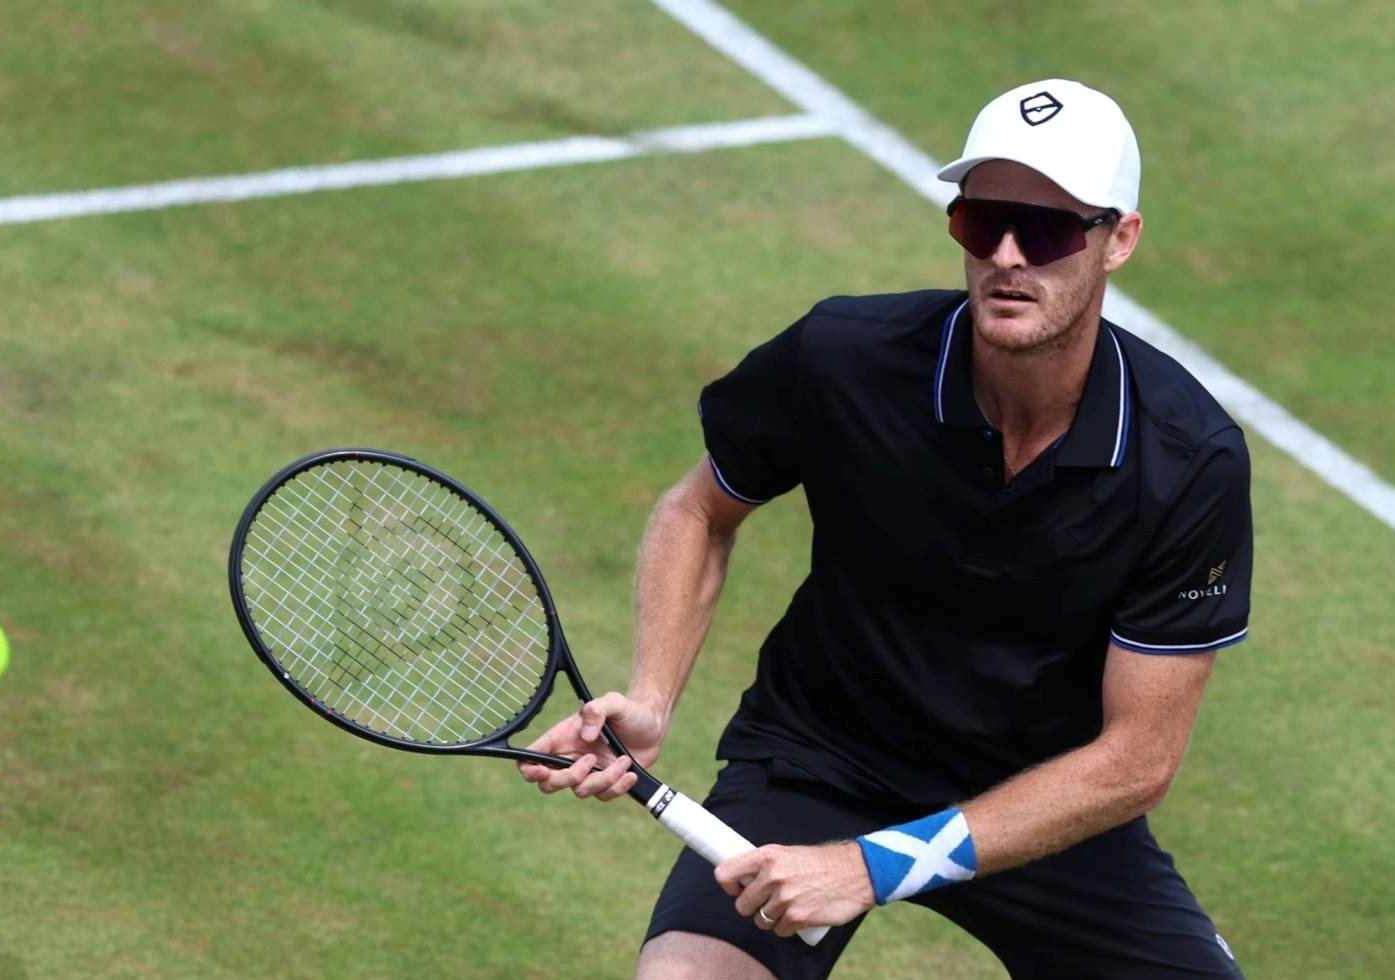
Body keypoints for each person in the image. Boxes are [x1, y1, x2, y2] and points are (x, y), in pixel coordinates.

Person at [518, 79, 1252, 979]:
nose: (1009, 255)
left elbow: (1135, 762)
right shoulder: (845, 359)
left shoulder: (1186, 459)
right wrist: (653, 696)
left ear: (1118, 240)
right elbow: (700, 510)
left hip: (1040, 798)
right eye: (984, 221)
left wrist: (873, 866)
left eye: (1051, 228)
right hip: (822, 759)